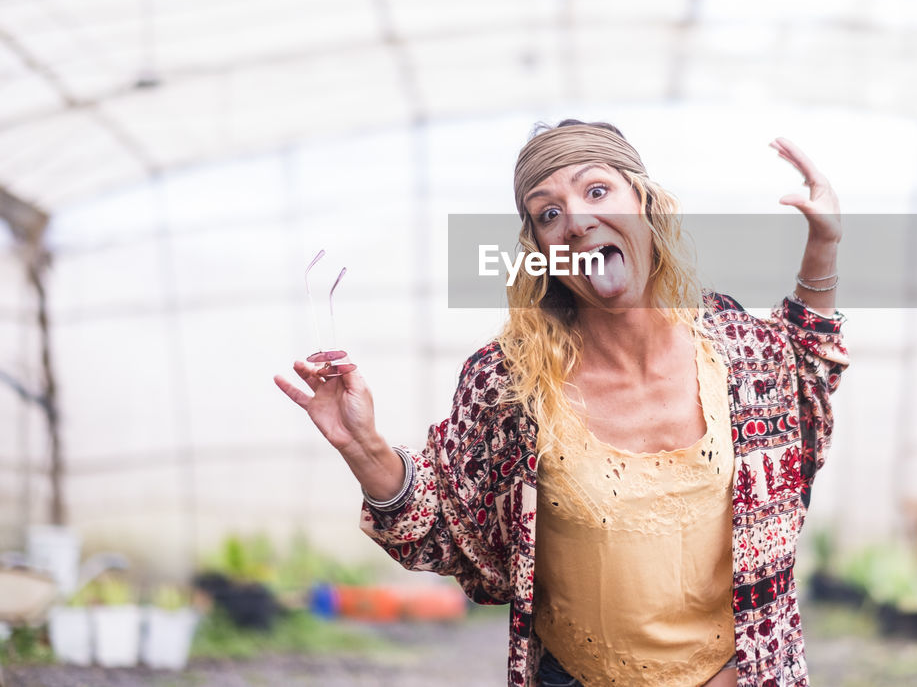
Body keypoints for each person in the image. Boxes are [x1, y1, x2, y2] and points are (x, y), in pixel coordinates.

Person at [274, 120, 848, 686]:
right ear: (540, 249)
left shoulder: (735, 344)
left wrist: (824, 243)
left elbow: (804, 380)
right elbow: (446, 527)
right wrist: (362, 446)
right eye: (548, 212)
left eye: (597, 190)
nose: (575, 221)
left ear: (645, 204)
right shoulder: (510, 383)